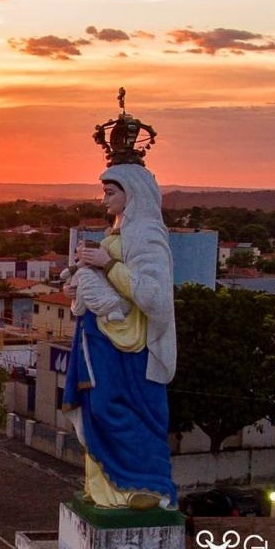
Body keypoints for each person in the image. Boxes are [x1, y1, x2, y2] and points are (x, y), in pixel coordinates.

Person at [62, 161, 177, 510]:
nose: (104, 201)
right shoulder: (116, 235)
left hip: (131, 346)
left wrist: (107, 264)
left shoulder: (147, 236)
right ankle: (104, 489)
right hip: (100, 338)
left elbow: (155, 297)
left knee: (126, 410)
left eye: (110, 193)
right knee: (98, 407)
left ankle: (146, 486)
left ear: (134, 194)